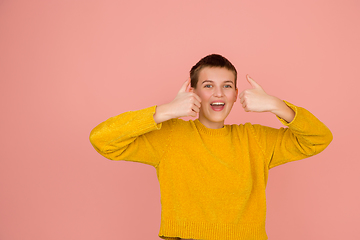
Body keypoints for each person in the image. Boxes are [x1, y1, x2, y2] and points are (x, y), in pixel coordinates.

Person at [89, 54, 333, 240]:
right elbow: (102, 139)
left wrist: (277, 105)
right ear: (192, 92)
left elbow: (319, 138)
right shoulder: (170, 136)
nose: (219, 93)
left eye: (227, 86)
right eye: (208, 85)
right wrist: (164, 111)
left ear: (236, 94)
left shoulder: (255, 139)